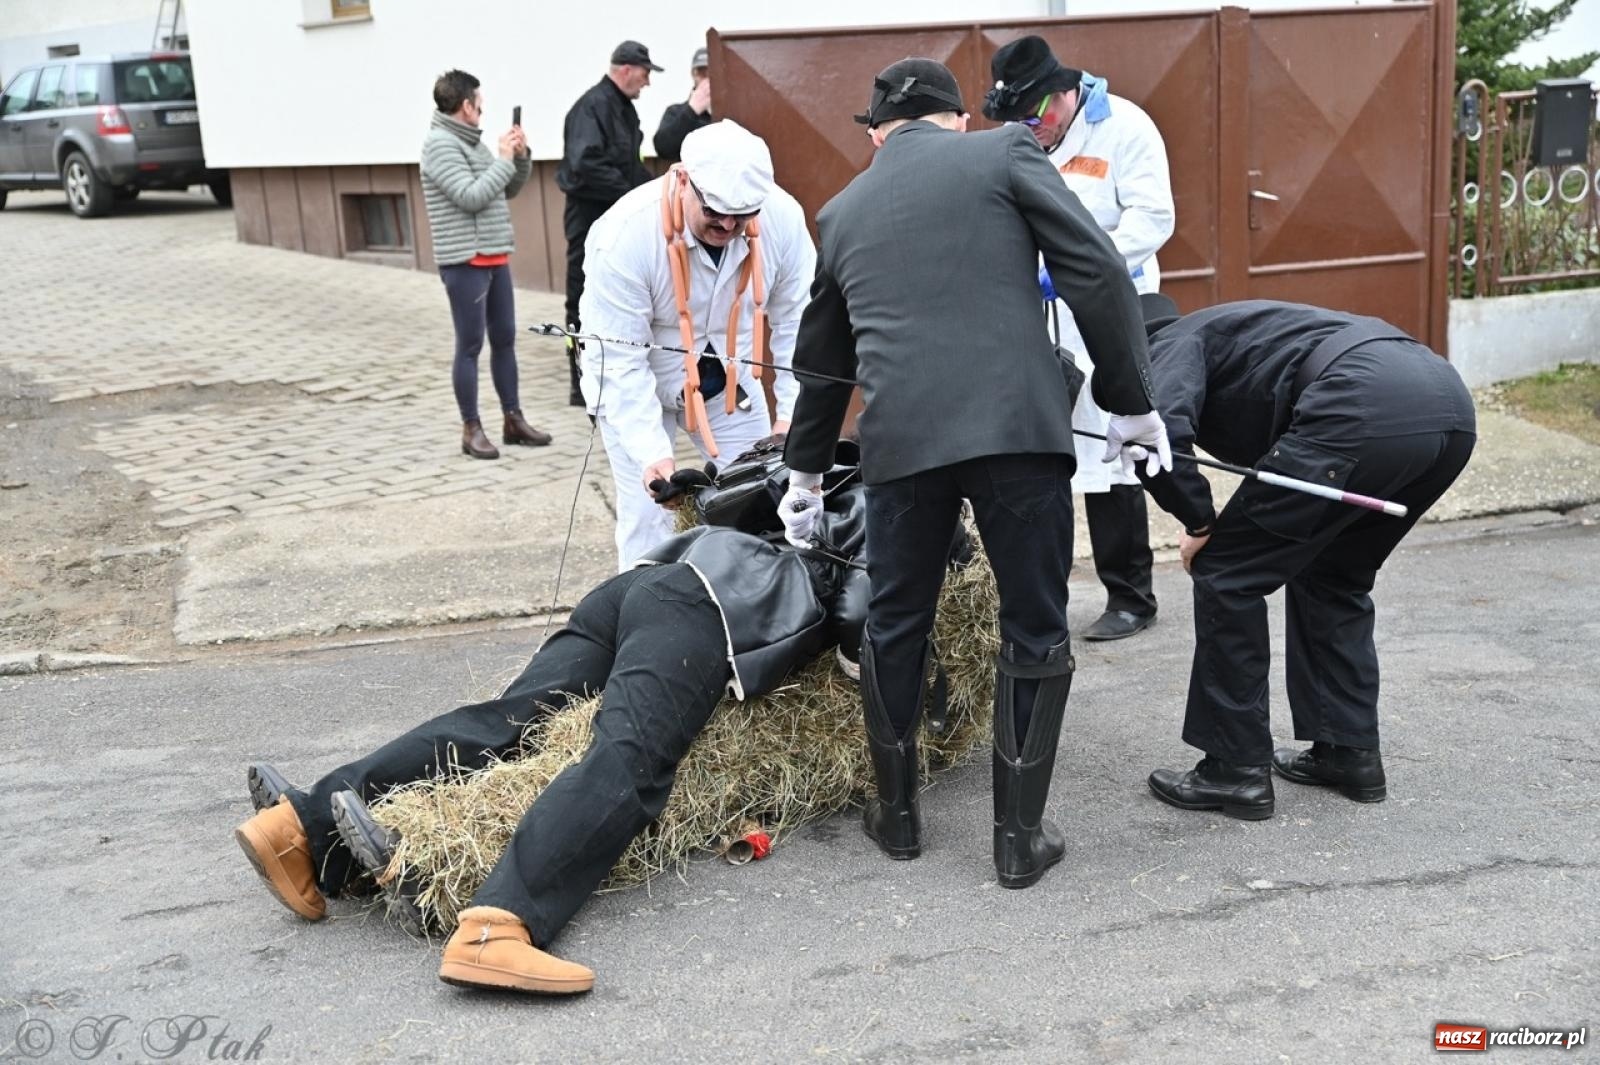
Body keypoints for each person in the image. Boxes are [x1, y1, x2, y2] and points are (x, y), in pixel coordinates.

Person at [235, 462, 876, 997]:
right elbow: (859, 607)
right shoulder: (893, 502)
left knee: (509, 722)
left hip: (639, 584)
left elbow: (711, 498)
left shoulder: (814, 461)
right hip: (703, 611)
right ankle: (498, 927)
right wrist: (856, 665)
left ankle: (299, 828)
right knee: (629, 759)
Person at [779, 58, 1170, 890]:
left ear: (878, 134)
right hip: (1017, 432)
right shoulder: (1006, 152)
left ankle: (897, 818)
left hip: (901, 444)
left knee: (896, 622)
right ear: (958, 118)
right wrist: (1132, 403)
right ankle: (1018, 840)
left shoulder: (840, 212)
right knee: (1035, 624)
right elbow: (1098, 270)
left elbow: (822, 362)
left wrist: (804, 477)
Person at [1130, 296, 1477, 820]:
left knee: (1227, 574)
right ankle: (1347, 750)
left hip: (1357, 403)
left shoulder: (1165, 344)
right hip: (1446, 404)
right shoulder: (1236, 328)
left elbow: (1162, 441)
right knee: (1333, 573)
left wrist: (1200, 523)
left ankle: (1234, 770)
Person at [985, 35, 1174, 642]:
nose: (1029, 128)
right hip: (1043, 315)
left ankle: (1131, 597)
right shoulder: (1021, 137)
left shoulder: (1125, 128)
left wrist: (1080, 266)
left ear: (1063, 93)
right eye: (1017, 119)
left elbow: (1154, 218)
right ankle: (1048, 599)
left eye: (1034, 115)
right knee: (1053, 454)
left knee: (1116, 451)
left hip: (1110, 310)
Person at [578, 119, 817, 570]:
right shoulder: (624, 235)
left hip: (727, 380)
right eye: (714, 210)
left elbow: (799, 325)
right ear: (683, 179)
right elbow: (621, 361)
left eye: (742, 215)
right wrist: (653, 456)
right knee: (648, 518)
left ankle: (754, 601)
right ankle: (646, 603)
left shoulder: (782, 219)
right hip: (640, 381)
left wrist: (792, 418)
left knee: (760, 498)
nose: (727, 224)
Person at [420, 69, 552, 460]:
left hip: (494, 254)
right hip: (465, 260)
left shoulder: (470, 144)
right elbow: (472, 196)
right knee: (470, 344)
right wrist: (503, 159)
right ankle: (471, 428)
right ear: (466, 105)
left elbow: (505, 188)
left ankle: (513, 419)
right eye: (479, 102)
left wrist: (519, 157)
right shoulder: (440, 145)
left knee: (505, 338)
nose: (482, 108)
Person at [557, 40, 661, 407]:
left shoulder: (622, 109)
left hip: (616, 216)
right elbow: (586, 164)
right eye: (645, 73)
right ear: (626, 69)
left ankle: (614, 373)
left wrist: (658, 191)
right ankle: (580, 383)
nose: (647, 82)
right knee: (582, 296)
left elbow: (630, 165)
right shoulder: (592, 107)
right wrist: (632, 195)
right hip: (589, 217)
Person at [653, 46, 714, 163]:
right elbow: (663, 149)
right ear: (693, 75)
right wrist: (692, 111)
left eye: (711, 73)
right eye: (702, 73)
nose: (706, 80)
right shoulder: (675, 111)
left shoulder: (729, 112)